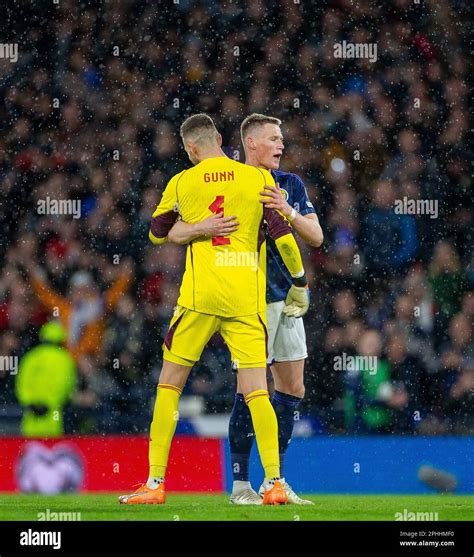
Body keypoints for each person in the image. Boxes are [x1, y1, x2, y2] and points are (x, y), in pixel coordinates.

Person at [119, 113, 310, 505]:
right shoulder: (256, 178)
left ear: (190, 149)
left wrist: (196, 228)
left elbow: (157, 232)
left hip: (199, 298)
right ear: (220, 138)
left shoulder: (182, 181)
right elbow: (282, 235)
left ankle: (155, 484)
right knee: (259, 392)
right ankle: (273, 481)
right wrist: (300, 281)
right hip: (245, 299)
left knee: (170, 384)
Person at [167, 113, 323, 504]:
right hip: (245, 301)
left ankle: (277, 480)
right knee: (251, 391)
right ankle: (240, 484)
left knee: (291, 388)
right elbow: (176, 228)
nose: (281, 145)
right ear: (250, 143)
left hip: (285, 299)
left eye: (282, 138)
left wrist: (286, 210)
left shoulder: (289, 184)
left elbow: (317, 236)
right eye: (273, 138)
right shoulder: (232, 179)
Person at [15, 321, 76, 437]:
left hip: (31, 415)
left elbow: (22, 382)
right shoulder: (65, 359)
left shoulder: (31, 356)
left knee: (31, 447)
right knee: (52, 448)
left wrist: (30, 403)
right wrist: (50, 403)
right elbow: (66, 385)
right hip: (54, 414)